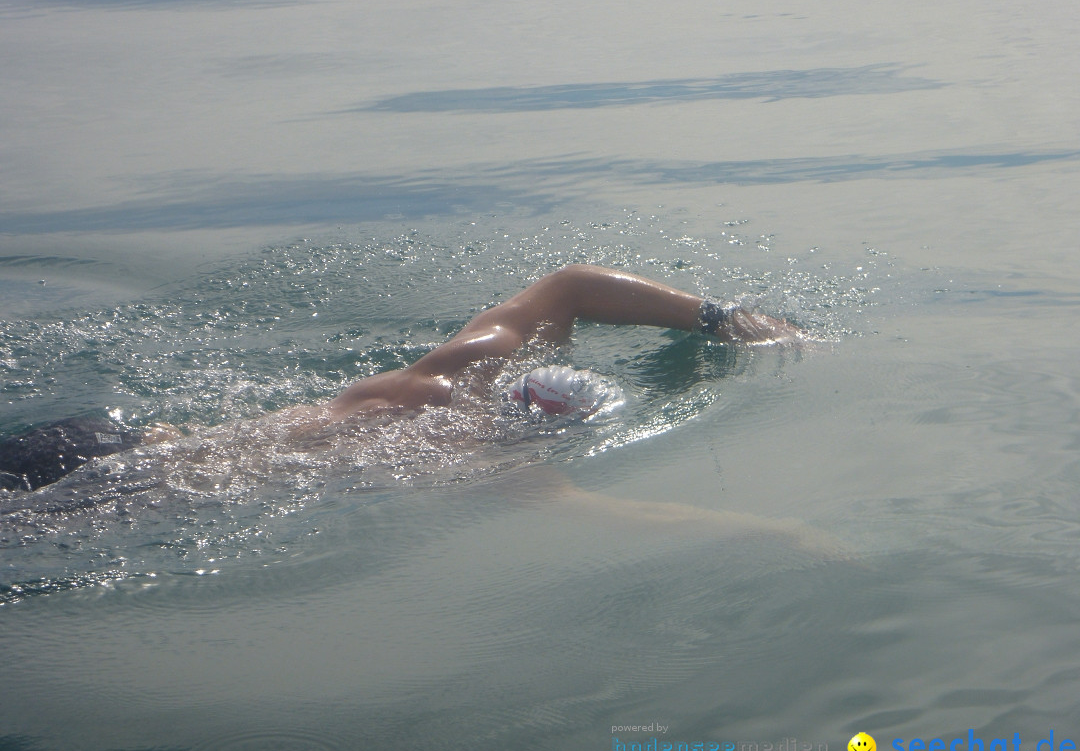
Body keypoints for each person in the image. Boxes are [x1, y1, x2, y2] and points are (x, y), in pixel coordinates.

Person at [0, 265, 800, 492]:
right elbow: (603, 518)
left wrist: (716, 314)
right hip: (126, 487)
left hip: (122, 443)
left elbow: (567, 286)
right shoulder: (471, 451)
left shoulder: (447, 378)